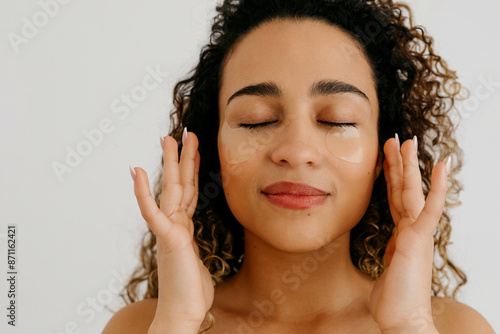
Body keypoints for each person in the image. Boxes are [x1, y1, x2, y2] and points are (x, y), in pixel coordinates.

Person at [103, 0, 495, 333]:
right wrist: (177, 322)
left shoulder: (455, 328)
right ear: (211, 150)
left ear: (383, 155)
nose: (296, 150)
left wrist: (409, 323)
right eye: (256, 120)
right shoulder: (142, 327)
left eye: (337, 120)